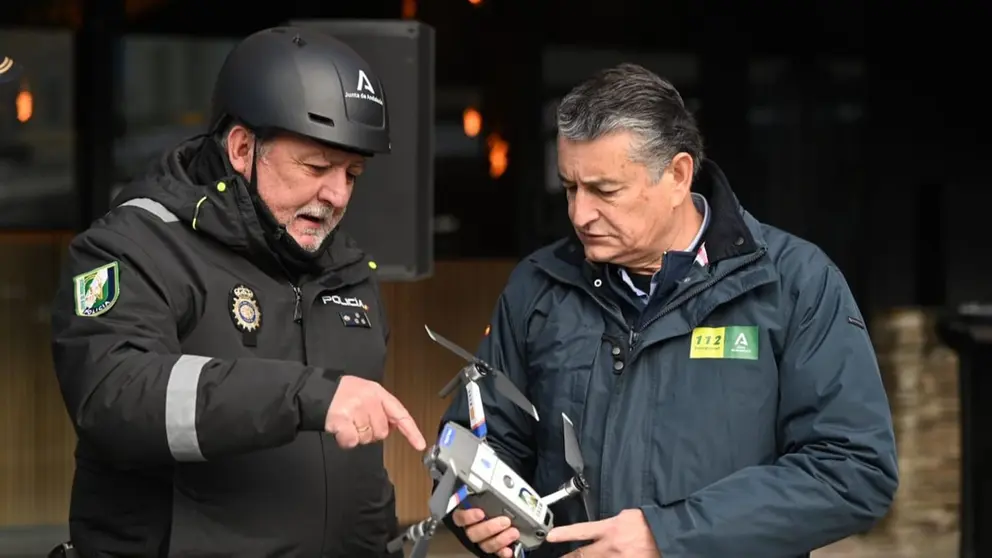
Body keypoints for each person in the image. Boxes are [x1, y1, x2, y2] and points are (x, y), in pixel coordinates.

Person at [438, 63, 899, 558]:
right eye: (570, 187)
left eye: (604, 191)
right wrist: (472, 510)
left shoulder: (795, 285)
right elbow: (478, 440)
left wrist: (670, 536)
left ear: (678, 176)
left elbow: (853, 471)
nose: (579, 214)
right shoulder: (538, 287)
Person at [48, 26, 426, 558]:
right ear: (243, 147)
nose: (337, 194)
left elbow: (352, 470)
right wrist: (307, 396)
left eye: (353, 173)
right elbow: (113, 395)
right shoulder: (133, 246)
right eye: (316, 167)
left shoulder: (346, 268)